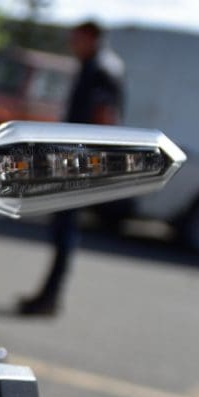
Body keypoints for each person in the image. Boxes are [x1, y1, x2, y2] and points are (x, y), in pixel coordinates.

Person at [18, 20, 124, 316]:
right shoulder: (97, 65)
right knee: (62, 228)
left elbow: (104, 118)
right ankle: (48, 296)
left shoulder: (101, 69)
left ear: (91, 37)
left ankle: (50, 298)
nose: (71, 43)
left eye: (76, 37)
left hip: (81, 160)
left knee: (65, 230)